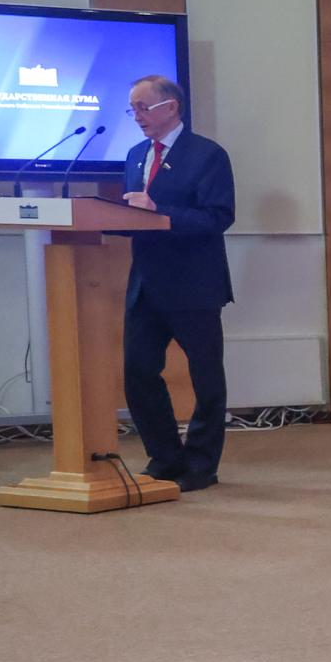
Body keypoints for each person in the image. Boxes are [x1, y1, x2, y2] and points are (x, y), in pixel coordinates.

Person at [117, 76, 234, 491]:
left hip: (194, 284)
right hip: (145, 284)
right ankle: (165, 458)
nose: (137, 117)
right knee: (137, 372)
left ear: (171, 107)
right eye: (132, 109)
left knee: (206, 379)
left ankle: (201, 465)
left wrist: (159, 211)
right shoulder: (135, 156)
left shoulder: (207, 154)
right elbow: (135, 215)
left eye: (143, 107)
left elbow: (218, 217)